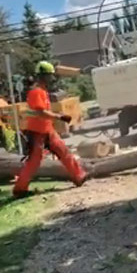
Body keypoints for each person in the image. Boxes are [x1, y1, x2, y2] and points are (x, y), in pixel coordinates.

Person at [13, 61, 87, 198]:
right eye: (50, 76)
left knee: (64, 152)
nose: (52, 78)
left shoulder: (42, 91)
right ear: (43, 76)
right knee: (34, 161)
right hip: (37, 132)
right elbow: (41, 112)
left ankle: (79, 176)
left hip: (47, 130)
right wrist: (59, 116)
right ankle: (19, 189)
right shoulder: (36, 92)